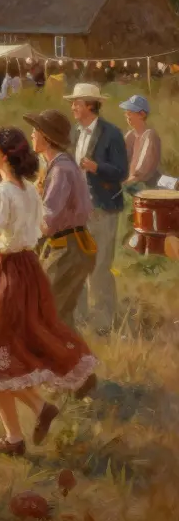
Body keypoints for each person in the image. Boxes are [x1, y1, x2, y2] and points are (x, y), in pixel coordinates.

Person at [0, 127, 97, 457]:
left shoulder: (1, 193)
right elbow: (38, 229)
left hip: (6, 274)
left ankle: (32, 417)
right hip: (27, 271)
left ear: (5, 155)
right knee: (3, 354)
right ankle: (17, 434)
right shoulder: (27, 189)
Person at [24, 110, 95, 330]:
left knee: (49, 313)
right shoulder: (54, 167)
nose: (32, 135)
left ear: (46, 137)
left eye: (36, 131)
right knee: (59, 317)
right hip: (65, 248)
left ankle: (68, 361)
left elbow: (47, 223)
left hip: (67, 251)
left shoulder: (61, 171)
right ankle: (76, 362)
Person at [66, 83, 128, 333]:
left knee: (100, 266)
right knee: (77, 264)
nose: (73, 107)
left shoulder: (111, 134)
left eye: (77, 103)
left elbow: (122, 172)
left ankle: (103, 323)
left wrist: (96, 167)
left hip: (103, 208)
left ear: (90, 105)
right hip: (77, 209)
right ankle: (79, 318)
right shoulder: (74, 133)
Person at [120, 94, 161, 194]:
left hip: (146, 184)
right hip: (131, 181)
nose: (127, 116)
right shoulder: (130, 135)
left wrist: (124, 184)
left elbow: (142, 172)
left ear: (142, 115)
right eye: (126, 113)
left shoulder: (149, 135)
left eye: (130, 113)